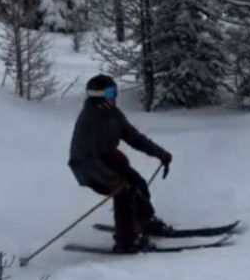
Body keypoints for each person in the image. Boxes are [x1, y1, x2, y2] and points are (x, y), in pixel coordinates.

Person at [68, 74, 174, 253]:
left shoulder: (113, 114)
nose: (115, 96)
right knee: (124, 191)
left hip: (106, 159)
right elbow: (86, 157)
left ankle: (145, 221)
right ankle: (126, 241)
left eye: (115, 91)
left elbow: (134, 138)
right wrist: (111, 180)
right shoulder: (89, 119)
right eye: (110, 93)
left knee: (137, 182)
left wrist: (160, 154)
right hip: (86, 167)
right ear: (98, 95)